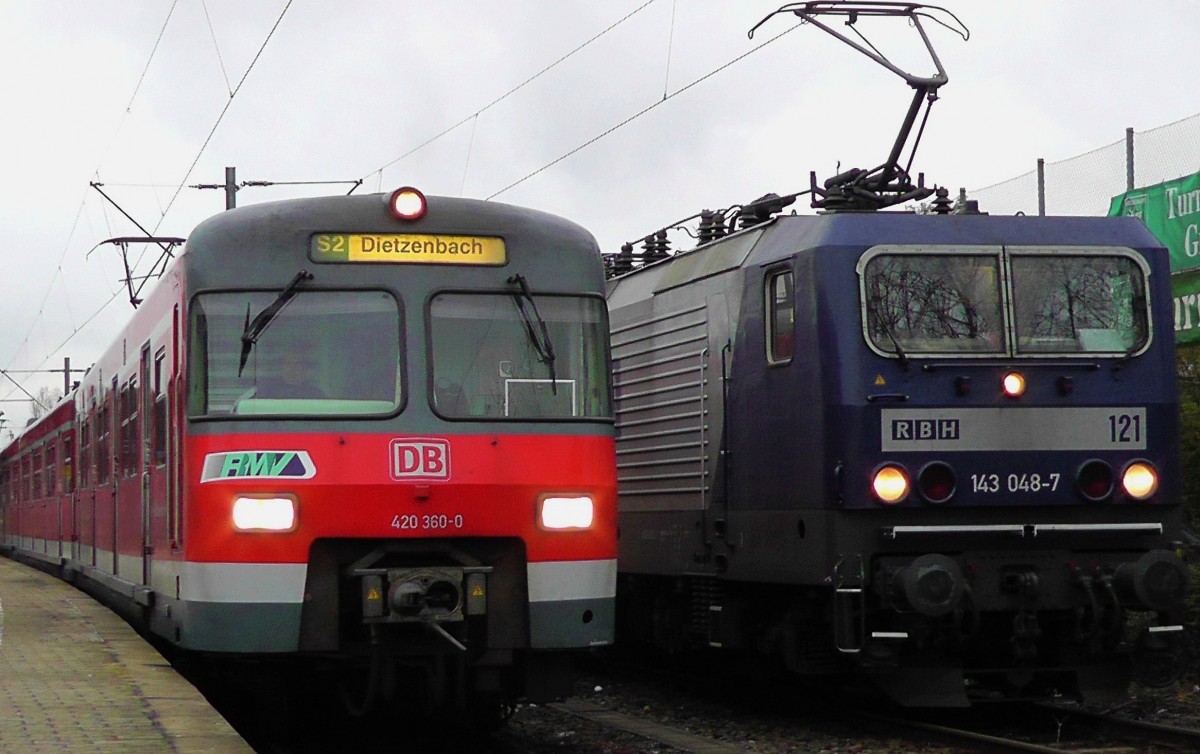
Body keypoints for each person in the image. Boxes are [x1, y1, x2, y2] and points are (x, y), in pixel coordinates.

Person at [254, 342, 327, 399]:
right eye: (288, 364)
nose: (292, 368)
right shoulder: (268, 391)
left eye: (296, 364)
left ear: (304, 368)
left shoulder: (315, 394)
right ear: (282, 366)